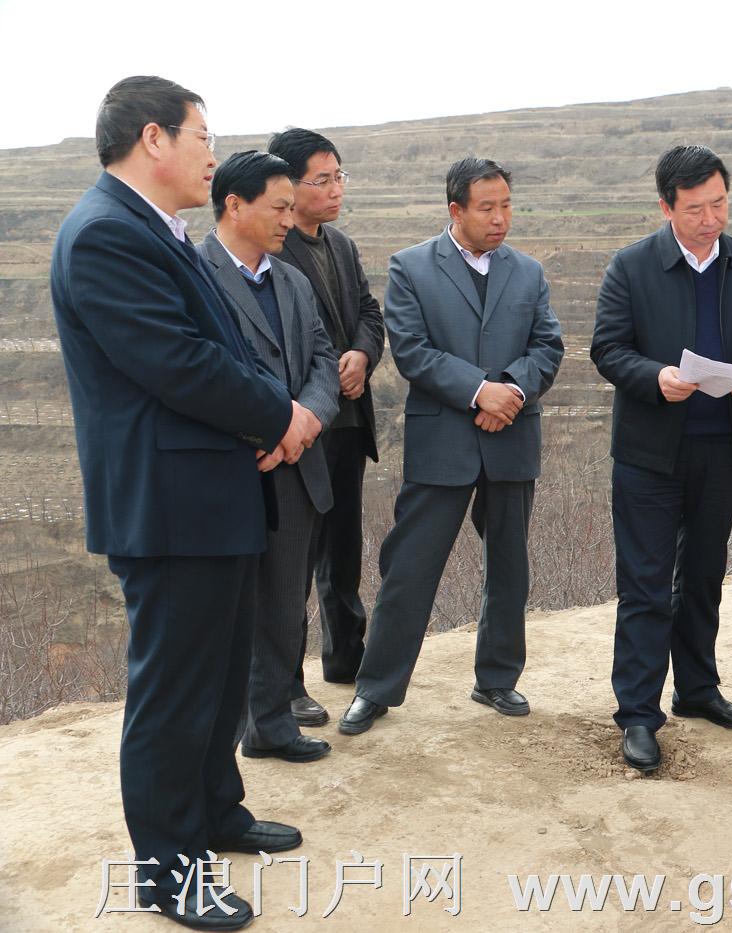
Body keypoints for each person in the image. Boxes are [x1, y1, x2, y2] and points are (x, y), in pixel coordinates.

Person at [51, 76, 318, 929]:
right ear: (154, 139)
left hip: (212, 492)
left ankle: (215, 812)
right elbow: (179, 363)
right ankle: (168, 872)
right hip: (169, 505)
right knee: (172, 694)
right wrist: (279, 414)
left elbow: (220, 349)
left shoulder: (152, 228)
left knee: (217, 675)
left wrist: (266, 418)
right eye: (203, 135)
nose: (212, 153)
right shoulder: (104, 234)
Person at [338, 157, 563, 734]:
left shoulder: (528, 272)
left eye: (506, 205)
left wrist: (510, 392)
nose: (500, 218)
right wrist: (480, 392)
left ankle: (497, 678)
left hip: (512, 435)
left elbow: (547, 346)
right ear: (456, 209)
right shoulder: (412, 266)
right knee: (410, 567)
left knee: (509, 567)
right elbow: (412, 350)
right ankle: (376, 688)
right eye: (487, 208)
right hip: (443, 443)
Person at [591, 146, 732, 772]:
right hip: (649, 454)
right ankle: (638, 714)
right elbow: (608, 349)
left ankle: (698, 690)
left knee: (703, 576)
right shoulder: (631, 267)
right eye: (696, 209)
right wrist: (656, 377)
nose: (711, 220)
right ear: (666, 207)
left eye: (719, 204)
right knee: (645, 586)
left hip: (721, 447)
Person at [198, 150, 341, 764]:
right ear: (234, 205)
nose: (290, 219)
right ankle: (218, 739)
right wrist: (273, 426)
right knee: (223, 617)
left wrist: (304, 421)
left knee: (284, 607)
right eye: (279, 207)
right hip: (232, 467)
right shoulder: (194, 274)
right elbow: (204, 371)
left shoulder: (292, 280)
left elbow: (322, 361)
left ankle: (271, 724)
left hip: (295, 464)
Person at [267, 128, 385, 724]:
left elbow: (368, 311)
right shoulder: (273, 250)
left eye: (340, 177)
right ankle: (286, 682)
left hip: (348, 423)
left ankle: (345, 657)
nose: (337, 189)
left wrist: (362, 354)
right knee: (292, 560)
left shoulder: (340, 245)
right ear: (289, 185)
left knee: (343, 552)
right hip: (301, 425)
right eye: (323, 179)